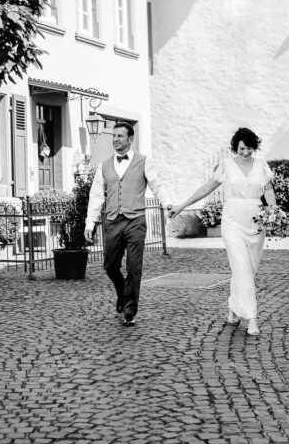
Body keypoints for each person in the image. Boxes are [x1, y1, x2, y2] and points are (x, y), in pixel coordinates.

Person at [169, 128, 276, 336]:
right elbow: (205, 189)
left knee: (248, 268)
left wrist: (273, 212)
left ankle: (233, 307)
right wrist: (181, 206)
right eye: (242, 148)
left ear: (254, 148)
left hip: (256, 222)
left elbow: (269, 191)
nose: (245, 153)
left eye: (249, 149)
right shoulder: (226, 165)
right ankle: (252, 317)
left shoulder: (262, 165)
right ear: (235, 147)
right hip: (233, 221)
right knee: (242, 266)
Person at [84, 122, 173, 326]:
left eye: (120, 136)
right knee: (109, 265)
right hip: (113, 221)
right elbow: (96, 196)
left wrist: (167, 204)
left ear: (130, 139)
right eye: (114, 136)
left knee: (134, 267)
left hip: (136, 221)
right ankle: (122, 292)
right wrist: (90, 224)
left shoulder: (144, 162)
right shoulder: (104, 165)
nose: (115, 140)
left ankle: (129, 310)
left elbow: (157, 184)